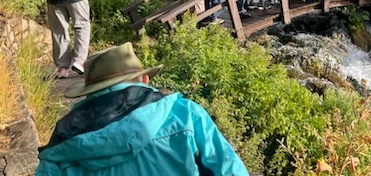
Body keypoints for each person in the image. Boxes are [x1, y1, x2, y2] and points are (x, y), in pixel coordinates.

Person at [36, 42, 249, 176]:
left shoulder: (63, 141)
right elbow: (230, 170)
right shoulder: (185, 114)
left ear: (89, 90)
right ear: (145, 79)